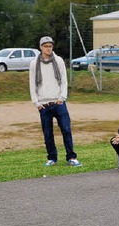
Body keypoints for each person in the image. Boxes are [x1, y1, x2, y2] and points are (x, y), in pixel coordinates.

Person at [29, 36, 82, 167]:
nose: (48, 48)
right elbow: (32, 83)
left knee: (66, 129)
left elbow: (64, 80)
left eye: (50, 46)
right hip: (44, 104)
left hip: (58, 102)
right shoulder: (34, 63)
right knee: (48, 133)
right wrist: (36, 102)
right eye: (46, 46)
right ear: (40, 47)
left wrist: (62, 98)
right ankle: (52, 157)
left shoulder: (58, 61)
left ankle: (71, 157)